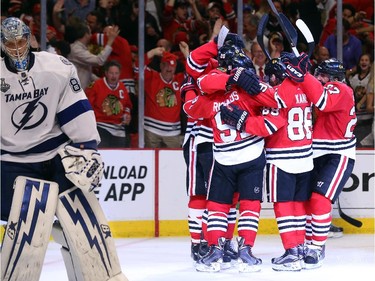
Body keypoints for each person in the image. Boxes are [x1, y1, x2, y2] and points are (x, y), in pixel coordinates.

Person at [0, 17, 128, 281]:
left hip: (58, 157)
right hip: (12, 162)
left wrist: (87, 148)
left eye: (21, 40)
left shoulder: (56, 66)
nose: (16, 47)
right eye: (9, 43)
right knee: (29, 230)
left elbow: (75, 109)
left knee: (85, 228)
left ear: (30, 38)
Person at [283, 56, 357, 269]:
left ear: (333, 77)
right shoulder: (331, 87)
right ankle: (308, 244)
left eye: (322, 74)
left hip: (338, 153)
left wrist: (303, 74)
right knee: (307, 201)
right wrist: (295, 74)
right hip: (316, 151)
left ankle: (316, 247)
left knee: (319, 200)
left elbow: (322, 101)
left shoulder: (340, 89)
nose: (318, 77)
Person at [139, 49, 185, 148]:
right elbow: (137, 67)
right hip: (151, 130)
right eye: (166, 65)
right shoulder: (151, 77)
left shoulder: (180, 80)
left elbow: (195, 71)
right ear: (160, 66)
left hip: (173, 133)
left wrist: (186, 54)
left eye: (172, 66)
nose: (169, 68)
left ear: (175, 67)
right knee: (150, 161)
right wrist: (152, 53)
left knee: (171, 162)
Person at [85, 60, 133, 148]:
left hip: (119, 129)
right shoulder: (96, 85)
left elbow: (127, 105)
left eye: (116, 73)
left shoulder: (122, 87)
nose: (114, 76)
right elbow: (87, 106)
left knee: (118, 159)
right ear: (106, 73)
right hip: (101, 126)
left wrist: (127, 114)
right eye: (111, 73)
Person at [67, 19, 119, 89]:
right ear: (86, 35)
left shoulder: (81, 48)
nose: (91, 35)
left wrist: (103, 82)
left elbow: (87, 73)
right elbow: (99, 61)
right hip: (76, 92)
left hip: (81, 90)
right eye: (90, 33)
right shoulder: (76, 49)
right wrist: (110, 40)